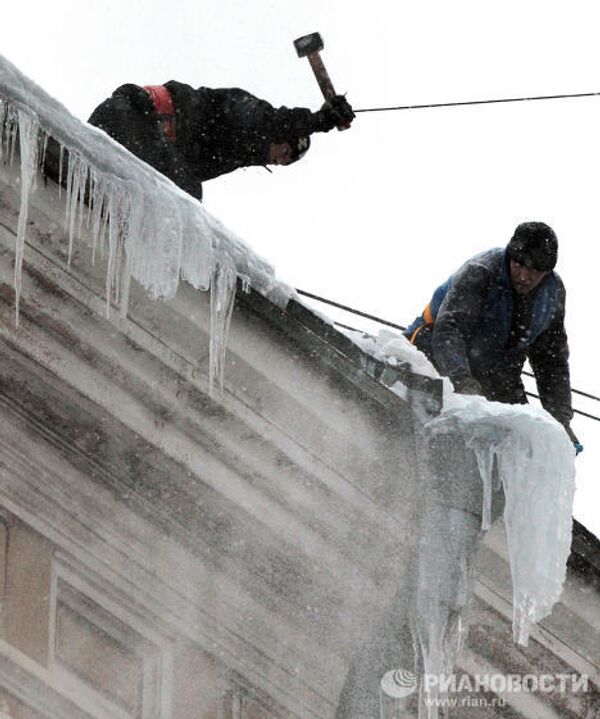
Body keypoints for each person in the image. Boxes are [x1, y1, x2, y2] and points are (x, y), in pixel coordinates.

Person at [404, 221, 582, 452]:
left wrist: (560, 420)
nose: (525, 276)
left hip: (497, 373)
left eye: (535, 271)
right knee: (441, 431)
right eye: (519, 264)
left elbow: (551, 361)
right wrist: (462, 383)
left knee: (524, 437)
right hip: (435, 354)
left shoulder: (552, 294)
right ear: (510, 255)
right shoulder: (482, 271)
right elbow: (449, 330)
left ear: (546, 273)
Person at [87, 82, 355, 201]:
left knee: (184, 193)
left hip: (130, 130)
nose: (279, 159)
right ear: (280, 136)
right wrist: (319, 120)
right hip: (134, 117)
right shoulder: (243, 110)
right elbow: (270, 120)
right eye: (284, 151)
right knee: (184, 200)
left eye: (283, 163)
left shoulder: (232, 153)